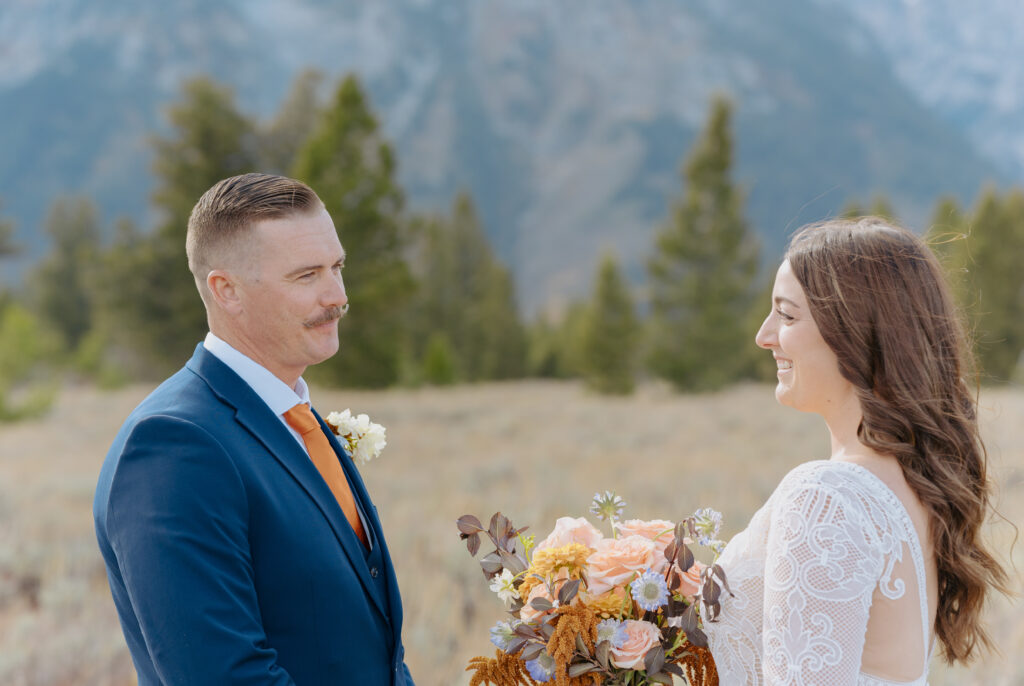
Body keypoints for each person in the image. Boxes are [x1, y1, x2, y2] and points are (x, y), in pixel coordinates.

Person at [93, 173, 415, 685]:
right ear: (227, 291)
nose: (337, 296)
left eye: (337, 267)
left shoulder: (294, 419)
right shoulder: (174, 447)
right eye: (307, 276)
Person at [703, 218, 1009, 684]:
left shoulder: (825, 498)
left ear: (854, 331)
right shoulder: (914, 486)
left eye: (786, 315)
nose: (764, 336)